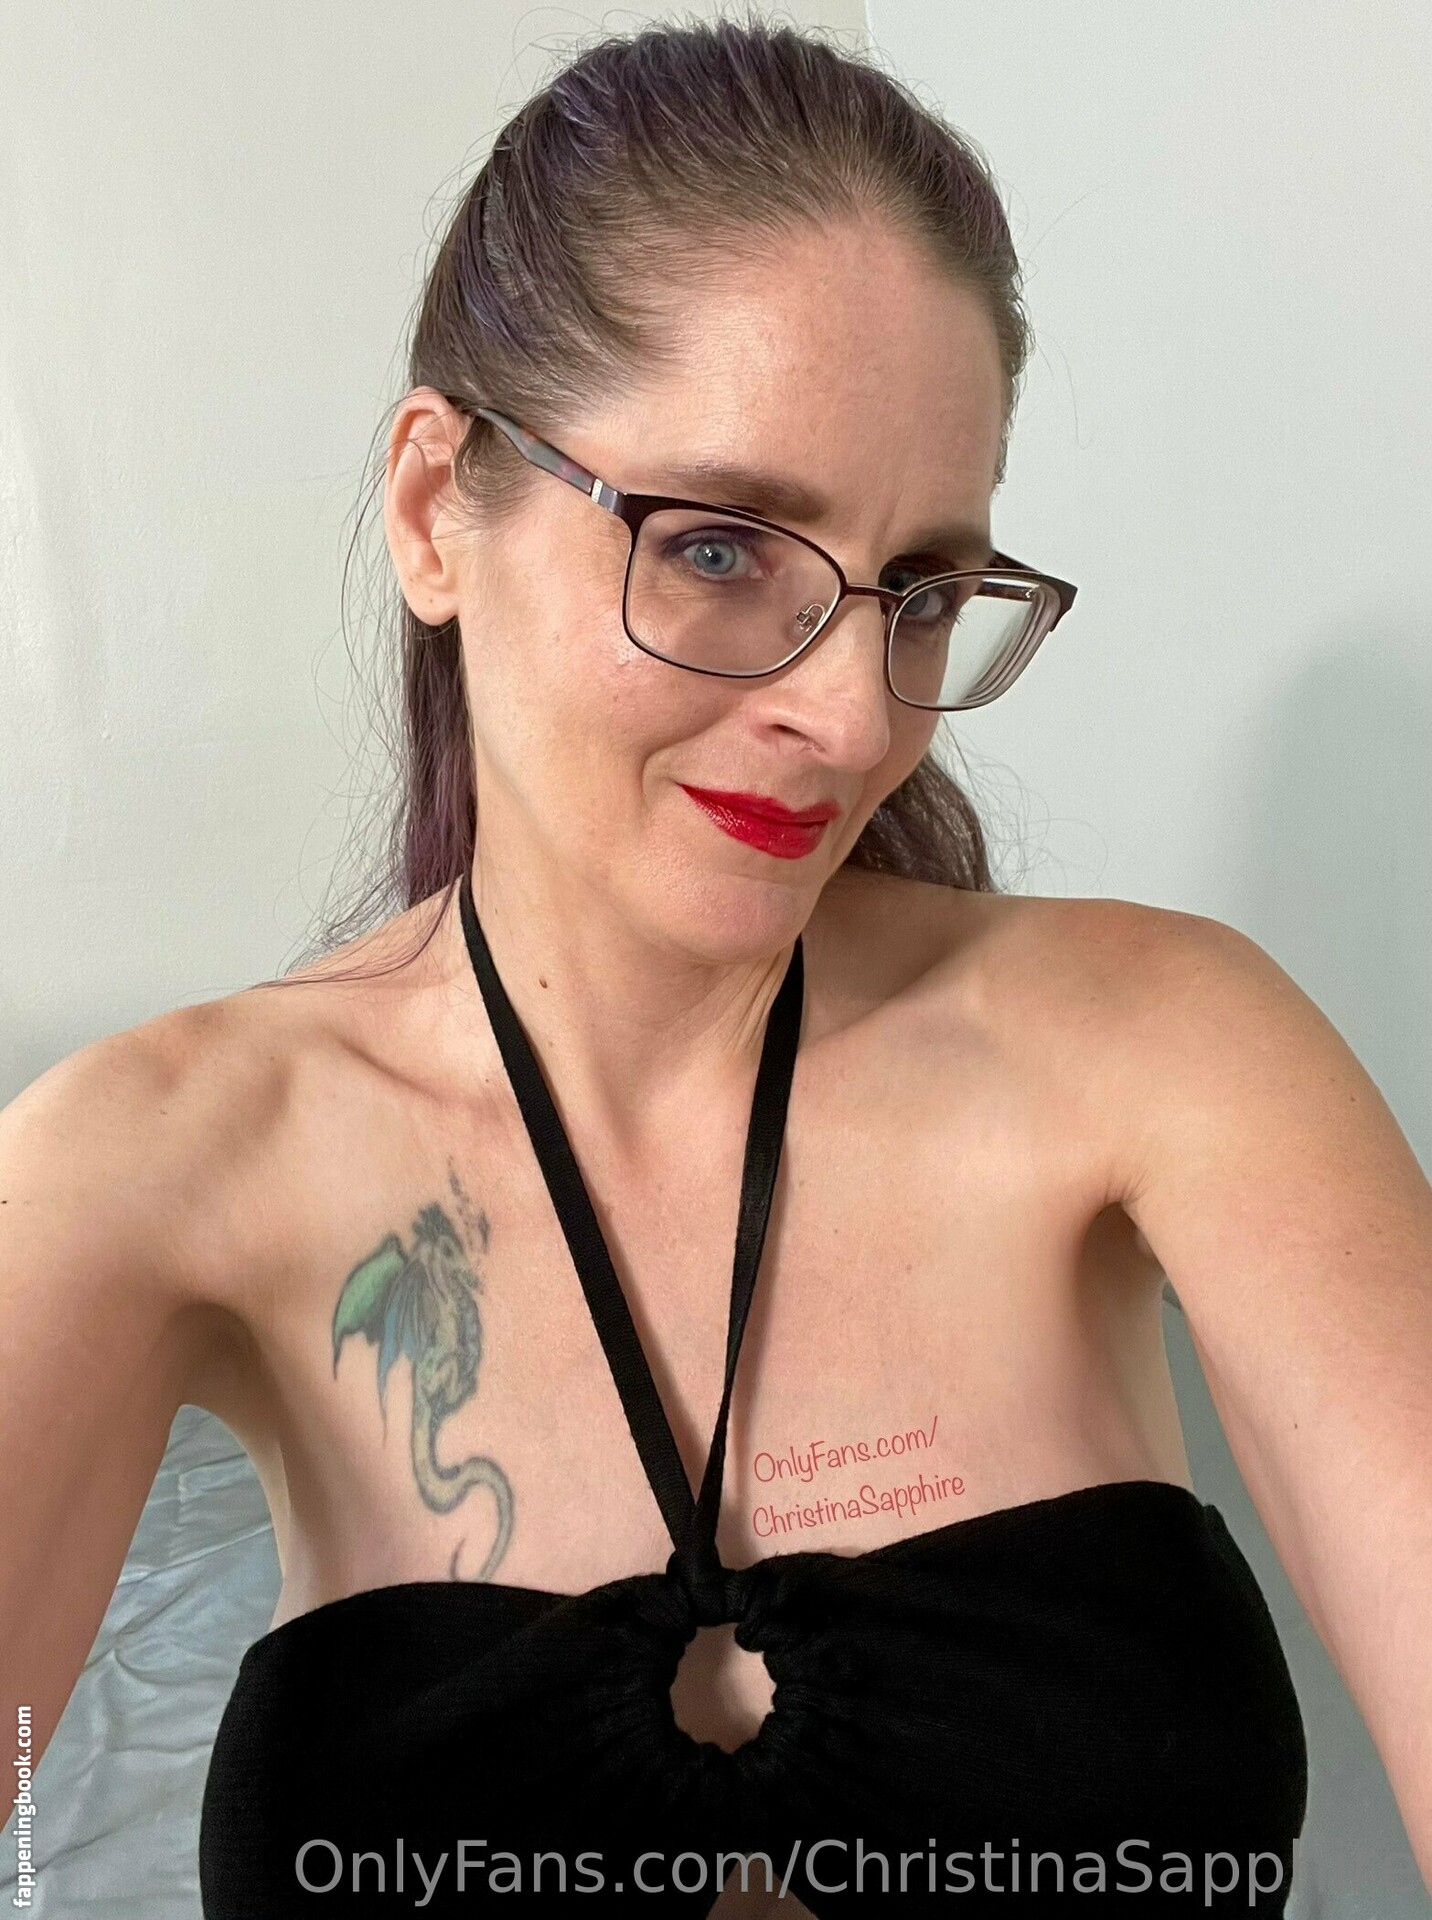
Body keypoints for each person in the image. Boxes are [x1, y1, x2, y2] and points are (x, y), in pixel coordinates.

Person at [2, 14, 1429, 1916]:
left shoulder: (1168, 1050)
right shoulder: (160, 1158)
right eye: (719, 549)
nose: (856, 719)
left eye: (921, 591)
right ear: (435, 511)